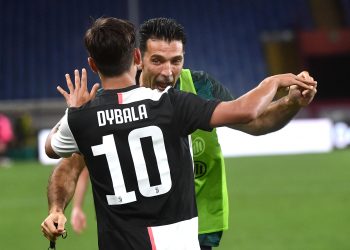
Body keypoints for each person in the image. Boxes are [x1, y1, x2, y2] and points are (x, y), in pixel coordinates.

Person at [40, 16, 316, 250]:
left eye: (176, 60)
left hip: (198, 222)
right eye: (158, 61)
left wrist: (292, 102)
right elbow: (71, 165)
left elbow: (256, 123)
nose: (168, 72)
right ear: (138, 59)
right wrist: (57, 208)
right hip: (153, 232)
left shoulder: (199, 86)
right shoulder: (164, 104)